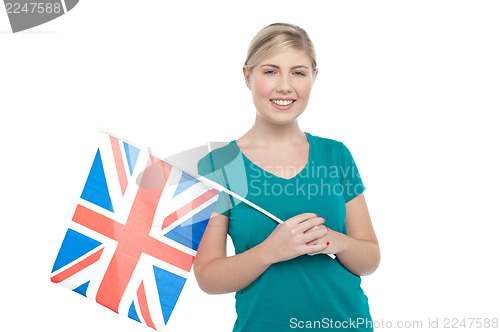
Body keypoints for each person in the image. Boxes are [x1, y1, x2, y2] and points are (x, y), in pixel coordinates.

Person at [195, 23, 380, 331]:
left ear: (313, 78)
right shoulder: (221, 166)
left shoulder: (335, 156)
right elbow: (208, 276)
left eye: (298, 72)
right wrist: (271, 251)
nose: (284, 86)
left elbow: (370, 258)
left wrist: (338, 242)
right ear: (247, 77)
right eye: (270, 71)